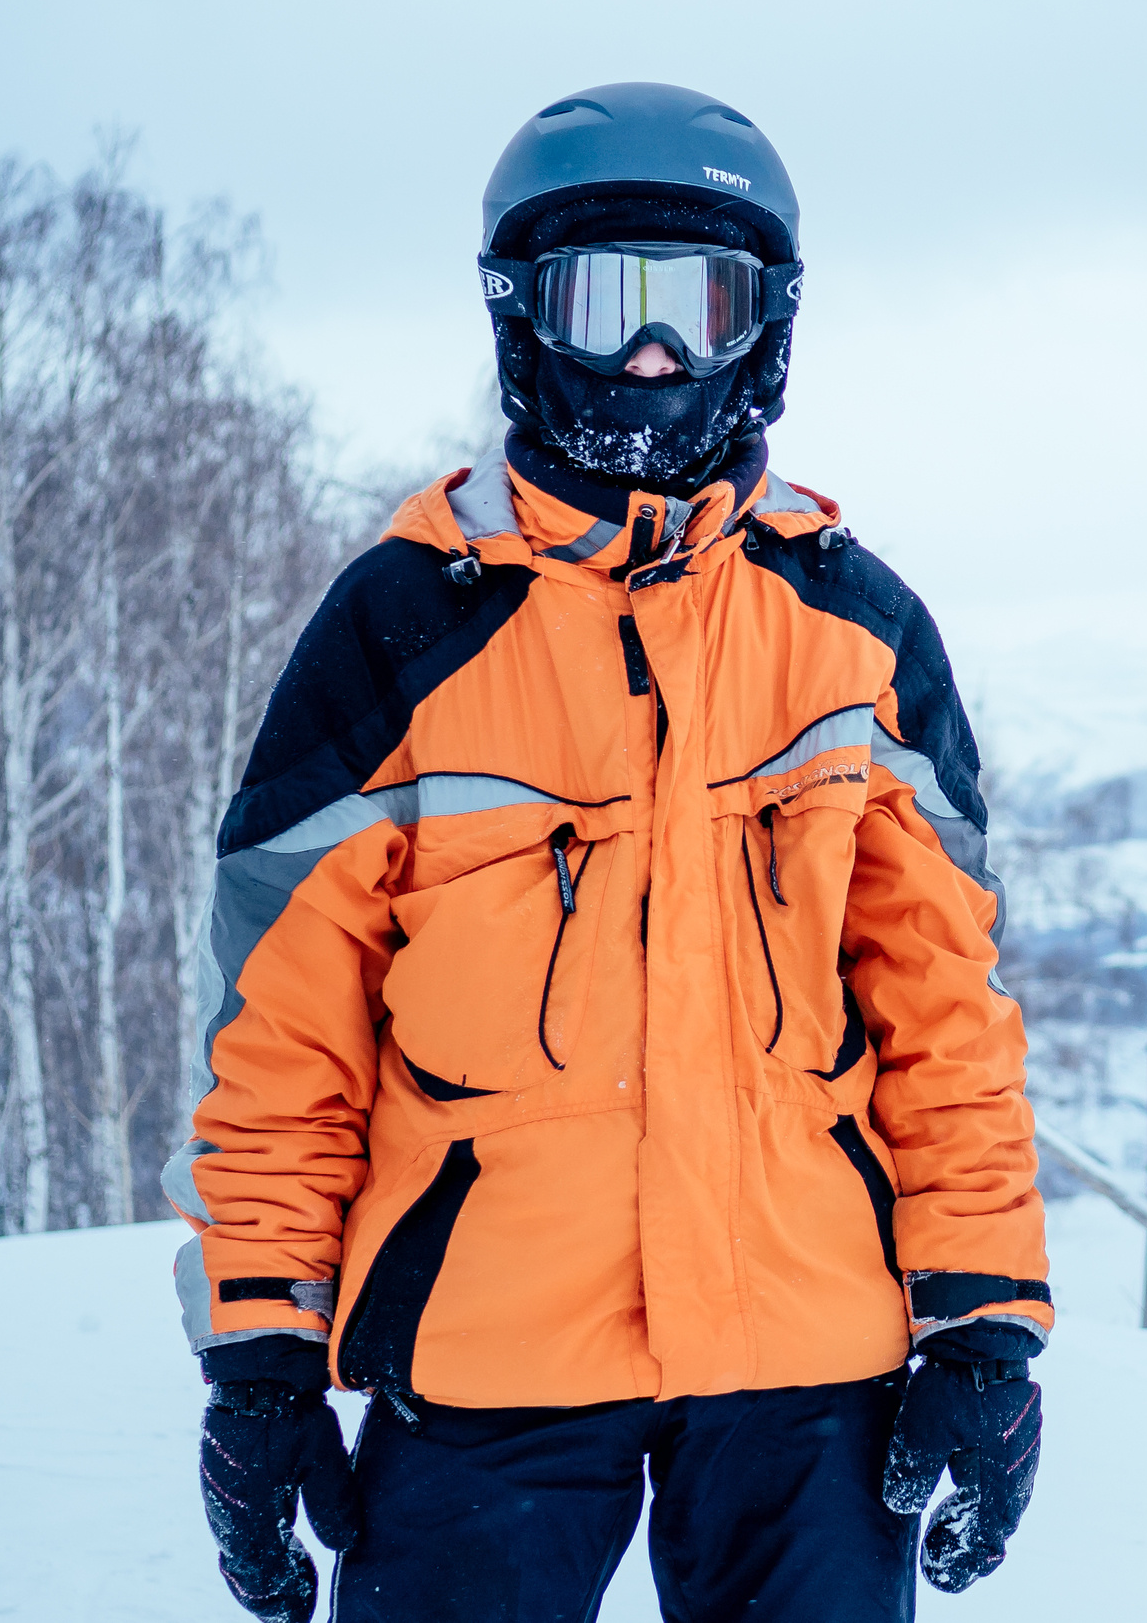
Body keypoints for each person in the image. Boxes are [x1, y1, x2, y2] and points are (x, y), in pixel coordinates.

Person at [162, 81, 1049, 1623]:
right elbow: (280, 1040)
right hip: (486, 1360)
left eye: (696, 305)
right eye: (603, 302)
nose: (652, 357)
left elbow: (945, 1018)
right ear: (520, 315)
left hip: (807, 1361)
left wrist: (983, 1321)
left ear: (763, 323)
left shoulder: (858, 632)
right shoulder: (398, 631)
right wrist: (260, 1356)